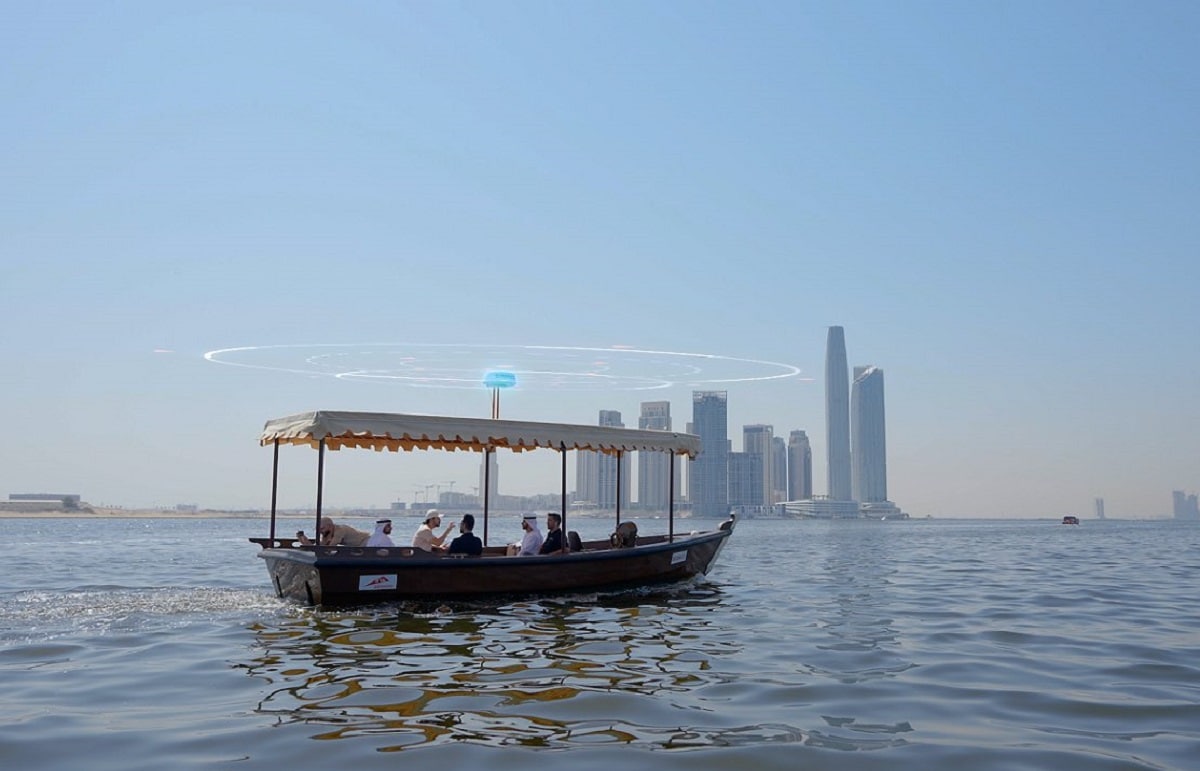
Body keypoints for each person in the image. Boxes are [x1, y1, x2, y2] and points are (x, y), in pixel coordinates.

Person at [297, 517, 369, 547]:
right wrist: (304, 541)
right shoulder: (327, 533)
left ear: (330, 526)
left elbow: (330, 547)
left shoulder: (340, 530)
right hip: (357, 547)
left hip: (365, 541)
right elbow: (319, 547)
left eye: (322, 529)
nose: (321, 532)